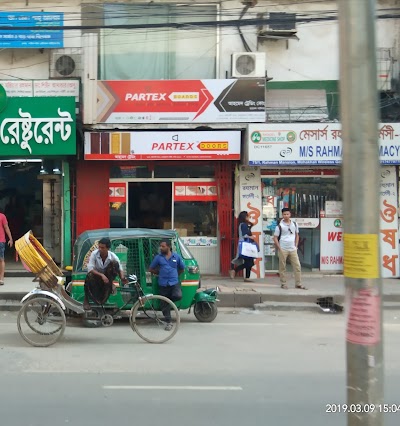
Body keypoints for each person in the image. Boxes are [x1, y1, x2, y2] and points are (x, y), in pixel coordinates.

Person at [148, 239, 184, 331]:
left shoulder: (176, 256)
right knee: (164, 303)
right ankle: (169, 322)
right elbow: (151, 269)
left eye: (163, 246)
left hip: (174, 282)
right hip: (163, 284)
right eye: (160, 246)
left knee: (178, 296)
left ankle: (168, 303)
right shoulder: (158, 257)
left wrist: (175, 275)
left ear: (168, 247)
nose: (161, 248)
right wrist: (159, 272)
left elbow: (182, 268)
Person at [83, 237, 128, 310]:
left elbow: (120, 268)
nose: (100, 249)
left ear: (108, 248)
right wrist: (102, 275)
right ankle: (86, 299)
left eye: (103, 248)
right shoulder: (94, 254)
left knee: (115, 264)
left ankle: (110, 284)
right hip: (97, 276)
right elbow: (90, 269)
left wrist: (122, 278)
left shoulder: (112, 256)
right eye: (99, 247)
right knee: (89, 276)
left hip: (108, 277)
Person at [273, 208, 307, 290]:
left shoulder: (294, 224)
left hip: (293, 249)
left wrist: (296, 245)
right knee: (282, 267)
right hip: (283, 248)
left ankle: (298, 283)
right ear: (282, 215)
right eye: (284, 214)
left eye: (287, 214)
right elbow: (275, 238)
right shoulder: (279, 226)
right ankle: (283, 283)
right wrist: (279, 248)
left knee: (297, 266)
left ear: (290, 214)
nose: (286, 216)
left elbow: (297, 235)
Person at [229, 211, 256, 283]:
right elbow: (244, 235)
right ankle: (235, 270)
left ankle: (247, 277)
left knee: (250, 261)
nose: (249, 217)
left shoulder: (243, 224)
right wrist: (251, 237)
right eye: (247, 216)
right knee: (249, 262)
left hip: (247, 245)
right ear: (245, 217)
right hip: (246, 245)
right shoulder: (243, 225)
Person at [0, 210, 13, 286]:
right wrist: (10, 239)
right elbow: (6, 228)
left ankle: (1, 278)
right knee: (1, 260)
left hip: (1, 241)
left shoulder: (2, 216)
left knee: (1, 260)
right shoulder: (2, 216)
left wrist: (10, 239)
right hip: (1, 241)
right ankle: (1, 278)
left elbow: (6, 228)